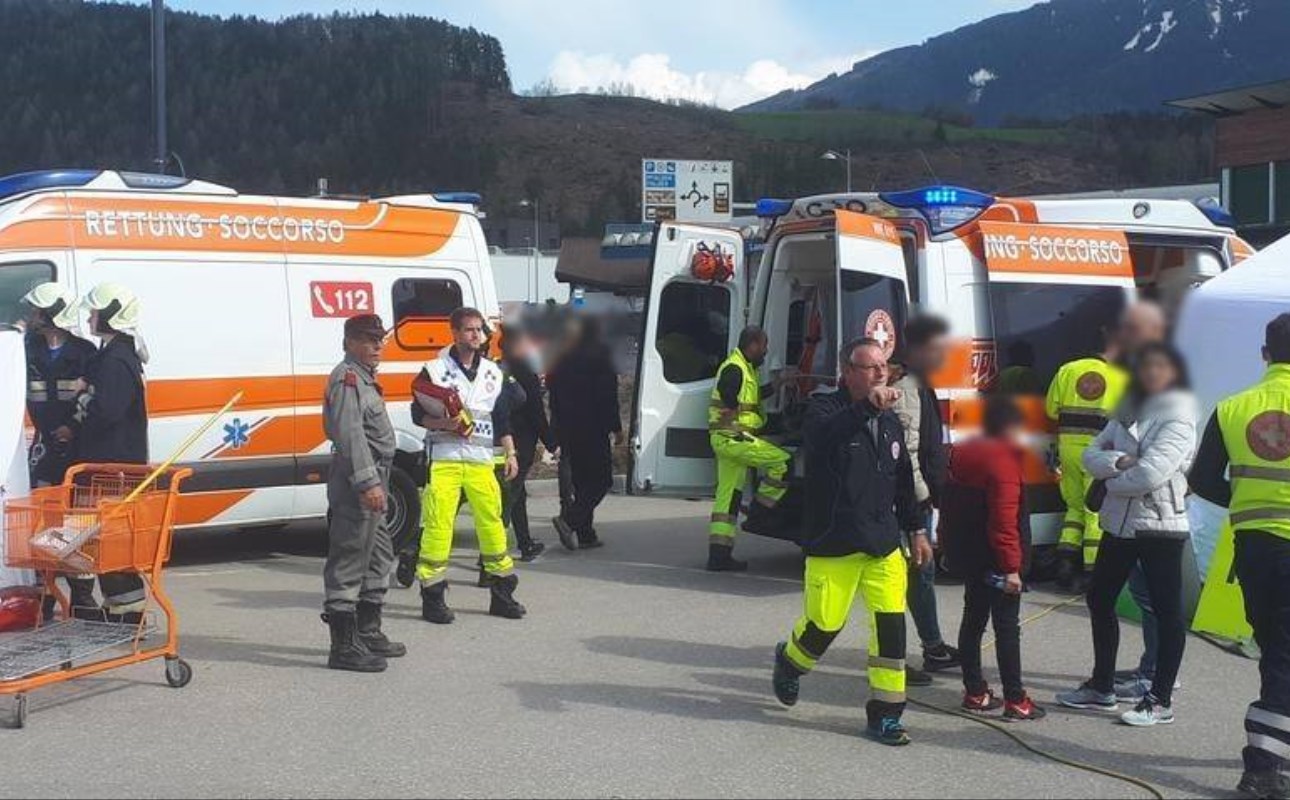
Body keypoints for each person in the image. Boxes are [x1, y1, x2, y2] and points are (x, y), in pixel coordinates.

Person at [771, 338, 930, 747]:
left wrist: (916, 530)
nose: (880, 373)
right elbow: (824, 438)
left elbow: (902, 481)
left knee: (891, 630)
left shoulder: (890, 421)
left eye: (883, 366)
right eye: (870, 367)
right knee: (823, 625)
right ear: (848, 372)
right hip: (834, 542)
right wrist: (866, 408)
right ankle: (789, 662)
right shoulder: (824, 408)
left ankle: (886, 714)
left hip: (882, 545)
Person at [1057, 343, 1197, 727]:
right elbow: (1090, 454)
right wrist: (1120, 461)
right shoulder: (1128, 409)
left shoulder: (1178, 415)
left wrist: (1111, 478)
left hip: (1159, 525)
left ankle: (1160, 698)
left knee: (1166, 610)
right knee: (1100, 597)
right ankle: (1101, 686)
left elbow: (1151, 474)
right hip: (1119, 523)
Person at [1191, 314, 1290, 799]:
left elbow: (1201, 479)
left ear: (1264, 354)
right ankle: (1262, 768)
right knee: (1284, 660)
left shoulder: (1232, 406)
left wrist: (1247, 504)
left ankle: (1272, 757)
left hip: (1253, 546)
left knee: (1276, 651)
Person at [413, 307, 525, 624]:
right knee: (438, 527)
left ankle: (502, 594)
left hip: (481, 461)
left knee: (493, 525)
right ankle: (433, 597)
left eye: (479, 330)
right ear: (454, 333)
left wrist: (511, 453)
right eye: (469, 330)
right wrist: (443, 423)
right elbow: (417, 415)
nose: (476, 335)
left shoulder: (492, 371)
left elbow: (501, 418)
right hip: (445, 459)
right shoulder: (434, 370)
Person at [1046, 302, 1167, 591]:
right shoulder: (1122, 379)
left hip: (1068, 449)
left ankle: (1065, 564)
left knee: (1074, 507)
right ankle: (1092, 573)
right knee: (1095, 511)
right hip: (1099, 454)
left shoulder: (1067, 370)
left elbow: (1051, 410)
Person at [942, 395, 1045, 721]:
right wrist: (1012, 568)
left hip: (970, 554)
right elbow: (1004, 522)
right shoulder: (1004, 462)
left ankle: (975, 692)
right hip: (996, 560)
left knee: (972, 622)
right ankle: (1016, 699)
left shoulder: (961, 452)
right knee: (1007, 628)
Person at [321, 314, 405, 673]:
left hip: (375, 476)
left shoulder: (365, 377)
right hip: (358, 481)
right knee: (350, 558)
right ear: (349, 342)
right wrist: (368, 483)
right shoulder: (348, 379)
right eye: (368, 340)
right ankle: (343, 646)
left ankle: (367, 630)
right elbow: (350, 435)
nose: (377, 346)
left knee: (379, 555)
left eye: (379, 339)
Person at [69, 284, 150, 624]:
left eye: (94, 312)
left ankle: (128, 614)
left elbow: (108, 411)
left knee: (111, 539)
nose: (89, 318)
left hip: (112, 467)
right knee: (106, 540)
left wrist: (83, 396)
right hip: (110, 464)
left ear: (111, 316)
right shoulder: (113, 353)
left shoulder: (116, 360)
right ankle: (119, 608)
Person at [20, 283, 98, 615]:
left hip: (76, 450)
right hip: (44, 448)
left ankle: (82, 596)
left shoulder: (84, 353)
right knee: (40, 522)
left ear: (51, 314)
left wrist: (73, 426)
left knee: (78, 524)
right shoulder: (27, 349)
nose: (31, 316)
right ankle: (44, 593)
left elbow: (94, 396)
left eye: (37, 310)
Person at [892, 315, 958, 682]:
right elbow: (908, 452)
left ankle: (932, 647)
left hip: (918, 497)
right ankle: (897, 658)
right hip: (909, 501)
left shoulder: (919, 385)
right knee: (904, 578)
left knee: (921, 574)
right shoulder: (907, 388)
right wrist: (922, 497)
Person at [705, 325, 791, 572]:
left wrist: (777, 384)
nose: (766, 351)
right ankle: (760, 512)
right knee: (783, 463)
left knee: (727, 499)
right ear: (753, 344)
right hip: (734, 438)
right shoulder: (735, 367)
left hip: (727, 440)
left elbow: (750, 400)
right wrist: (730, 406)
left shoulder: (745, 368)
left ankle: (719, 555)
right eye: (764, 345)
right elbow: (728, 389)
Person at [549, 316, 622, 551]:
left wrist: (556, 430)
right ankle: (570, 521)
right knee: (601, 480)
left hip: (569, 429)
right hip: (594, 427)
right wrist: (616, 427)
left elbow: (554, 398)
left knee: (582, 481)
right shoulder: (600, 356)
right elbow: (607, 396)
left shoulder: (561, 357)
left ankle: (586, 533)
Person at [500, 330, 557, 563]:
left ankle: (525, 543)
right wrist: (552, 443)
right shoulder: (524, 372)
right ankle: (489, 554)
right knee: (509, 497)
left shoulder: (497, 369)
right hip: (520, 442)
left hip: (500, 440)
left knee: (516, 494)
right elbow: (536, 412)